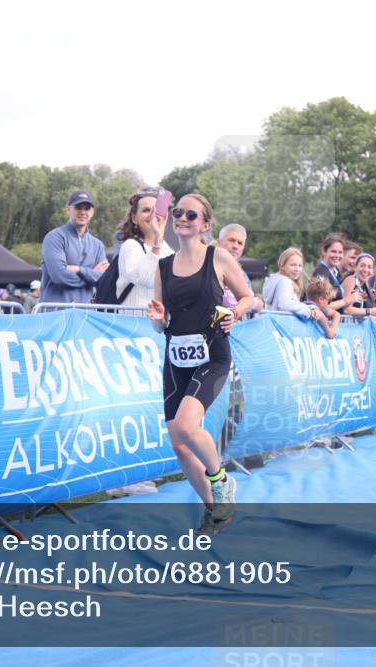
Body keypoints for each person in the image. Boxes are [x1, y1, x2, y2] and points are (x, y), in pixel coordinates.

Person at [146, 194, 253, 534]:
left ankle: (221, 481)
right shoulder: (163, 266)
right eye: (178, 212)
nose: (182, 218)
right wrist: (157, 318)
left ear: (205, 225)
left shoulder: (218, 257)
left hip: (213, 354)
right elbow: (161, 321)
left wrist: (235, 312)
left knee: (188, 426)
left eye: (191, 214)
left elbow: (249, 296)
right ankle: (216, 511)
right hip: (176, 357)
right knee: (178, 443)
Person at [40, 189, 110, 304]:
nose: (83, 212)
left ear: (92, 212)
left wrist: (79, 270)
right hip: (55, 314)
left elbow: (103, 279)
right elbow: (60, 277)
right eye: (78, 207)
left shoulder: (97, 245)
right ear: (68, 209)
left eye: (87, 208)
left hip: (84, 315)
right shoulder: (54, 238)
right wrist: (91, 275)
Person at [115, 189, 174, 308]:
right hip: (134, 321)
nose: (153, 215)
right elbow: (146, 280)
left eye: (156, 210)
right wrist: (158, 239)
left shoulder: (167, 249)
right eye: (146, 210)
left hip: (159, 323)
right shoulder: (130, 245)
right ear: (134, 218)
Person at [216, 224, 264, 314]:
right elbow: (224, 301)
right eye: (231, 240)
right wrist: (253, 303)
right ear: (219, 243)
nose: (235, 246)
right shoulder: (208, 267)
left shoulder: (243, 274)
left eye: (240, 243)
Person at [341, 254, 376, 319]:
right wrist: (370, 311)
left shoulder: (366, 285)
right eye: (362, 265)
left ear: (372, 271)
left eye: (369, 267)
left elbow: (361, 311)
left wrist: (371, 315)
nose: (366, 270)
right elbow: (346, 310)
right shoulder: (351, 280)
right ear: (355, 267)